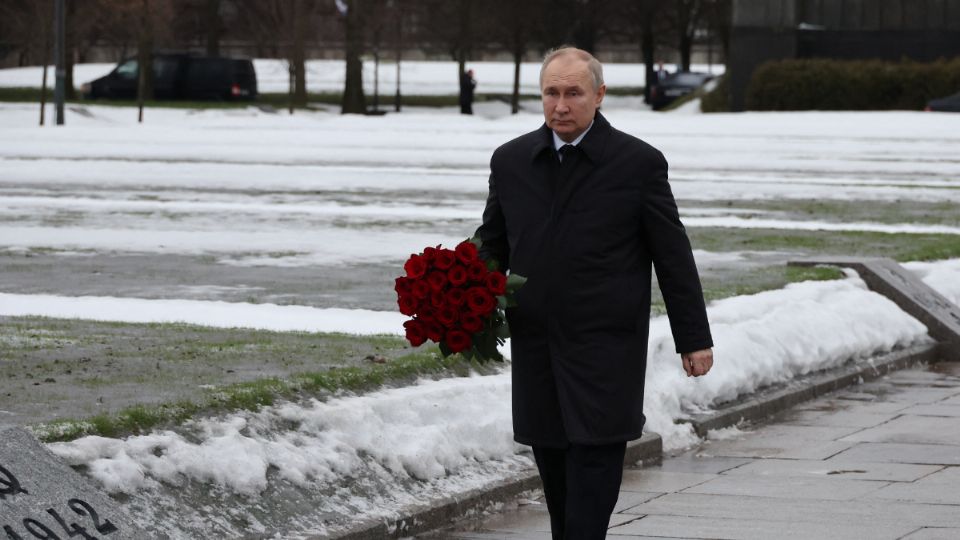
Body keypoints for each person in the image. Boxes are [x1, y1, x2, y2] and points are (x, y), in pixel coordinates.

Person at [474, 47, 714, 539]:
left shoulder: (638, 164)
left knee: (593, 475)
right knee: (558, 482)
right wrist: (454, 302)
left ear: (599, 96)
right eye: (551, 93)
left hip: (605, 349)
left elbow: (673, 256)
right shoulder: (512, 161)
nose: (561, 105)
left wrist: (694, 337)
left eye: (573, 93)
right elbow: (490, 247)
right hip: (537, 346)